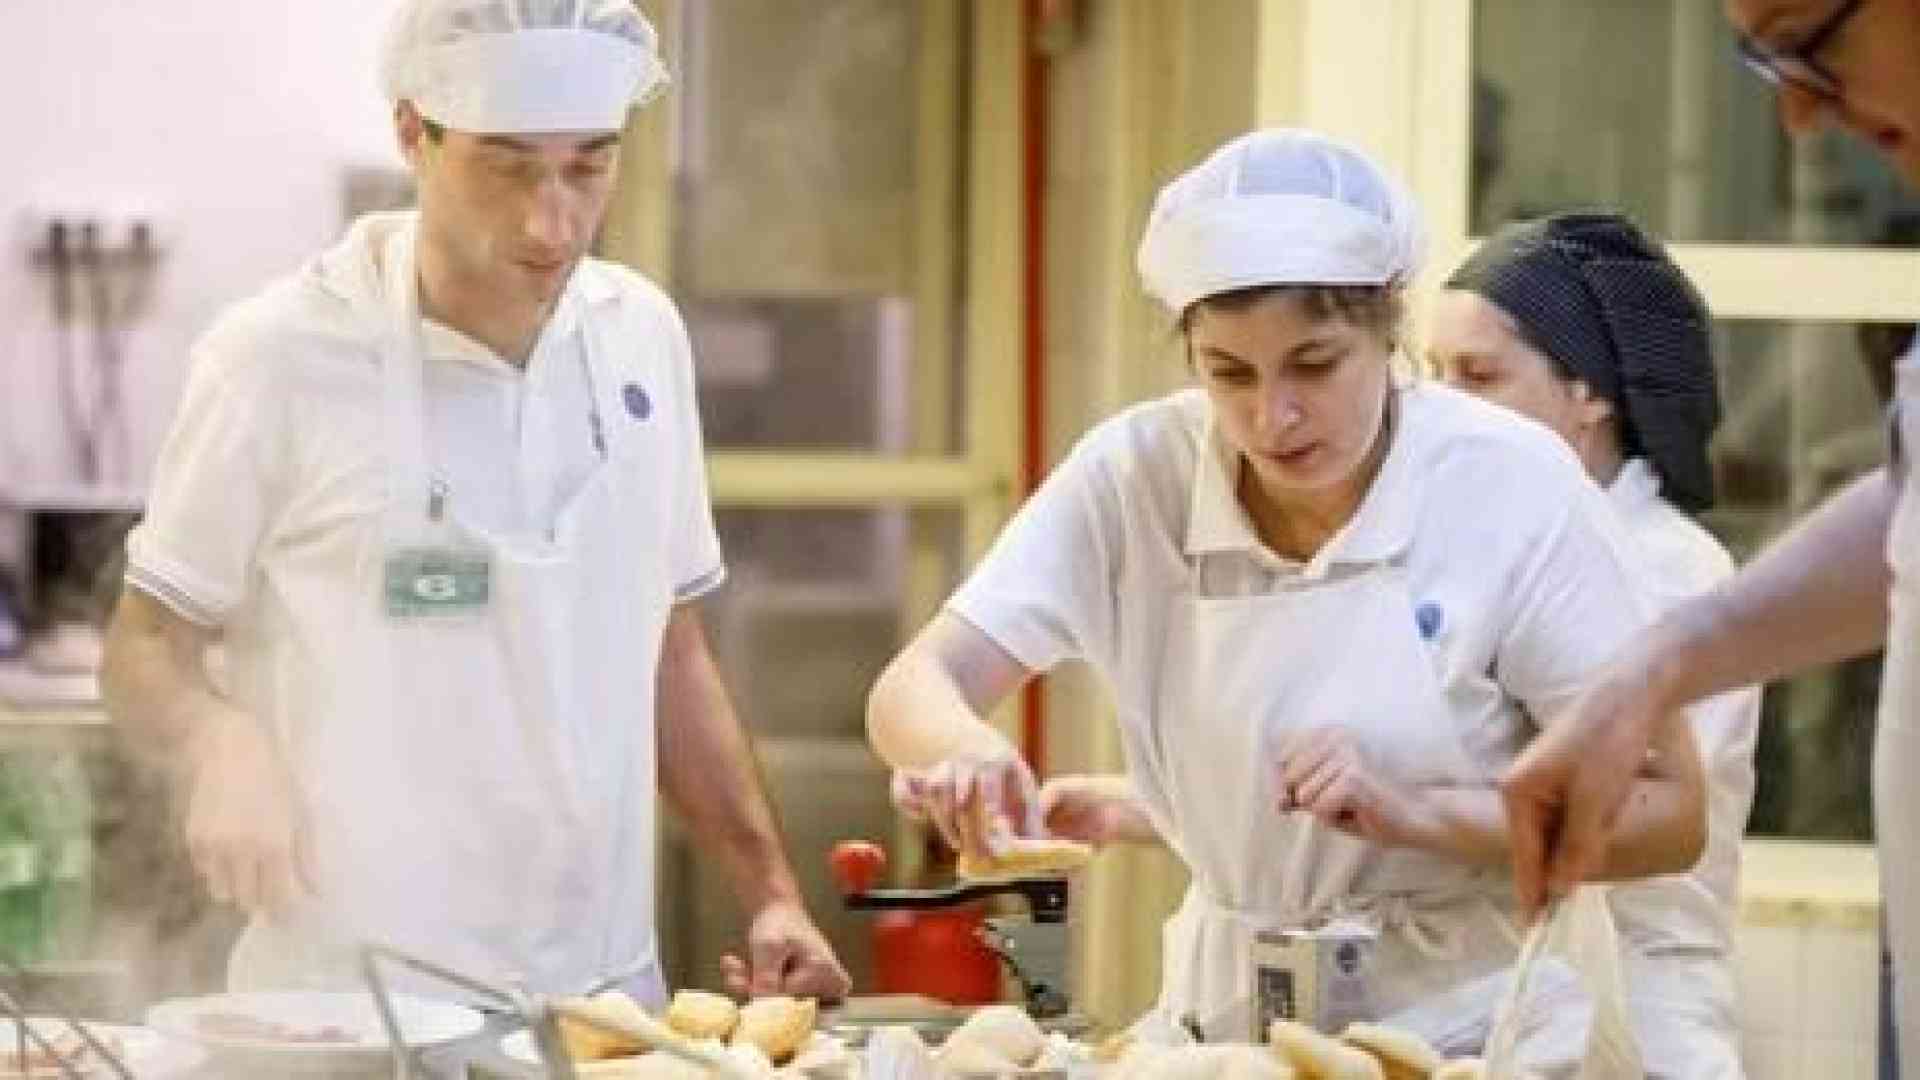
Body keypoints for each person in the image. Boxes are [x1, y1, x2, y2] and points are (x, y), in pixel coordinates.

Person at [868, 128, 1706, 1051]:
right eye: (1229, 373)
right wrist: (966, 749)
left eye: (1315, 364)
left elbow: (1670, 816)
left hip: (1472, 1029)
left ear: (1388, 334)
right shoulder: (1136, 475)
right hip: (1226, 1023)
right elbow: (912, 687)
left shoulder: (1510, 487)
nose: (1273, 417)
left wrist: (1419, 812)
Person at [98, 0, 848, 1004]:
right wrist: (214, 739)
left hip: (602, 1009)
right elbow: (144, 646)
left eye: (588, 166)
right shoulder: (275, 358)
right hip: (344, 1015)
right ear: (414, 133)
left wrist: (771, 893)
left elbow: (670, 651)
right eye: (509, 167)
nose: (553, 223)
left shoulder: (640, 338)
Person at [1498, 0, 1920, 1069]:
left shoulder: (1663, 554)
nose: (1802, 117)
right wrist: (1655, 667)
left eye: (1808, 44)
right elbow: (1907, 508)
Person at [1430, 211, 1758, 1079]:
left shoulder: (1671, 571)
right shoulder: (1504, 547)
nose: (1443, 408)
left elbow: (1608, 809)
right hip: (1529, 1001)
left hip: (1648, 1023)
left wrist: (1385, 800)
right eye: (1432, 374)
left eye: (1478, 375)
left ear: (1591, 394)